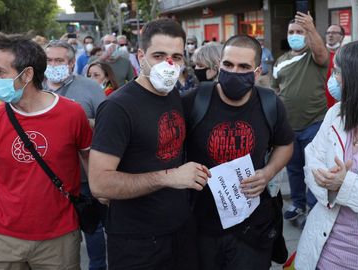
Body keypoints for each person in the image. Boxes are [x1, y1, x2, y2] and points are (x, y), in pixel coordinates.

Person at [0, 33, 92, 270]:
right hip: (3, 241)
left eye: (1, 72)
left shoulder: (72, 114)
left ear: (27, 74)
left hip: (59, 240)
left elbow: (91, 167)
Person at [88, 19, 211, 270]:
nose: (169, 64)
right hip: (137, 241)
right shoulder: (117, 108)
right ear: (140, 56)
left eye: (176, 56)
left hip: (180, 229)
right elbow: (99, 183)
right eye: (159, 55)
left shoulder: (173, 93)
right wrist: (169, 177)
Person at [183, 34, 294, 270]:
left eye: (243, 67)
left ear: (257, 72)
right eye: (228, 65)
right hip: (201, 226)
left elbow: (285, 144)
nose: (234, 72)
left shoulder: (270, 103)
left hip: (252, 229)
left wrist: (268, 172)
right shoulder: (194, 101)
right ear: (219, 65)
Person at [295, 40, 358, 270]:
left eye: (338, 71)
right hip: (323, 252)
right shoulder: (335, 114)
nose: (333, 78)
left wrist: (346, 185)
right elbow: (312, 161)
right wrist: (329, 184)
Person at [44, 40, 107, 270]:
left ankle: (98, 266)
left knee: (92, 227)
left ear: (71, 63)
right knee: (55, 230)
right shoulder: (34, 86)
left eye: (59, 60)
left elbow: (108, 125)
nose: (53, 65)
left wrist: (81, 122)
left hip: (83, 177)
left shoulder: (90, 88)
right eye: (49, 60)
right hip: (48, 176)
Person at [271, 12, 329, 226]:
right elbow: (275, 90)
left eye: (300, 32)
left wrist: (312, 29)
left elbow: (322, 53)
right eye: (291, 32)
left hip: (315, 123)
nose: (295, 35)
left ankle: (314, 210)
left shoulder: (315, 56)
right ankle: (297, 204)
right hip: (288, 127)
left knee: (314, 170)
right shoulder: (280, 62)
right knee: (293, 169)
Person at [324, 24, 345, 108]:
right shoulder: (319, 55)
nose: (330, 35)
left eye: (334, 33)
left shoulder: (346, 56)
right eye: (328, 32)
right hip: (320, 105)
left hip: (340, 105)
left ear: (342, 37)